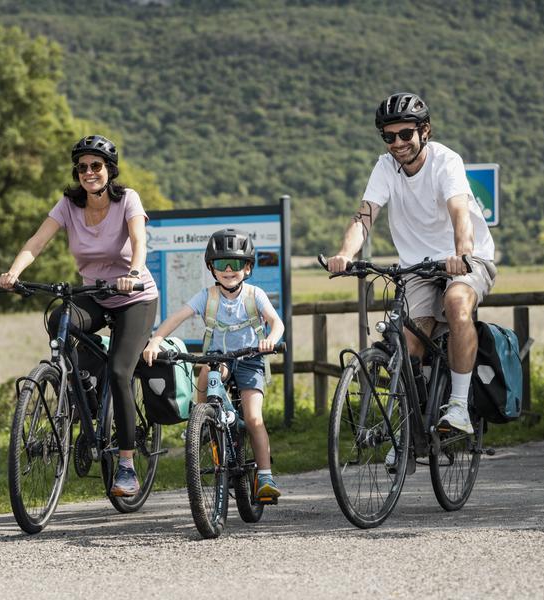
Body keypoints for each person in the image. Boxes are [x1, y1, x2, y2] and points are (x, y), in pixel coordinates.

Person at [326, 92, 496, 443]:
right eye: (389, 137)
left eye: (405, 135)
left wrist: (461, 253)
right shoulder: (385, 167)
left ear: (425, 131)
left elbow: (459, 213)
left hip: (464, 256)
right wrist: (344, 253)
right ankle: (407, 436)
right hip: (416, 266)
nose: (397, 144)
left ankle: (460, 407)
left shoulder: (446, 162)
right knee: (408, 344)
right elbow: (364, 216)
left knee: (456, 305)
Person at [0, 134, 158, 497]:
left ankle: (127, 466)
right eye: (83, 167)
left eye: (96, 166)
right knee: (59, 320)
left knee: (120, 371)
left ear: (109, 171)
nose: (89, 172)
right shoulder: (69, 205)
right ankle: (84, 386)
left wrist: (133, 274)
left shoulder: (127, 199)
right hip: (95, 295)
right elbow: (36, 242)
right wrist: (14, 272)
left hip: (134, 296)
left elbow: (139, 241)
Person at [141, 228, 285, 500]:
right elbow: (178, 317)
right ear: (211, 268)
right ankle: (203, 422)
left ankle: (265, 477)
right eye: (221, 264)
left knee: (254, 417)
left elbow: (276, 323)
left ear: (248, 267)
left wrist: (271, 340)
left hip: (250, 359)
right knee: (205, 374)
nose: (228, 270)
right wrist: (156, 340)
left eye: (236, 264)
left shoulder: (255, 295)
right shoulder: (207, 296)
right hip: (220, 357)